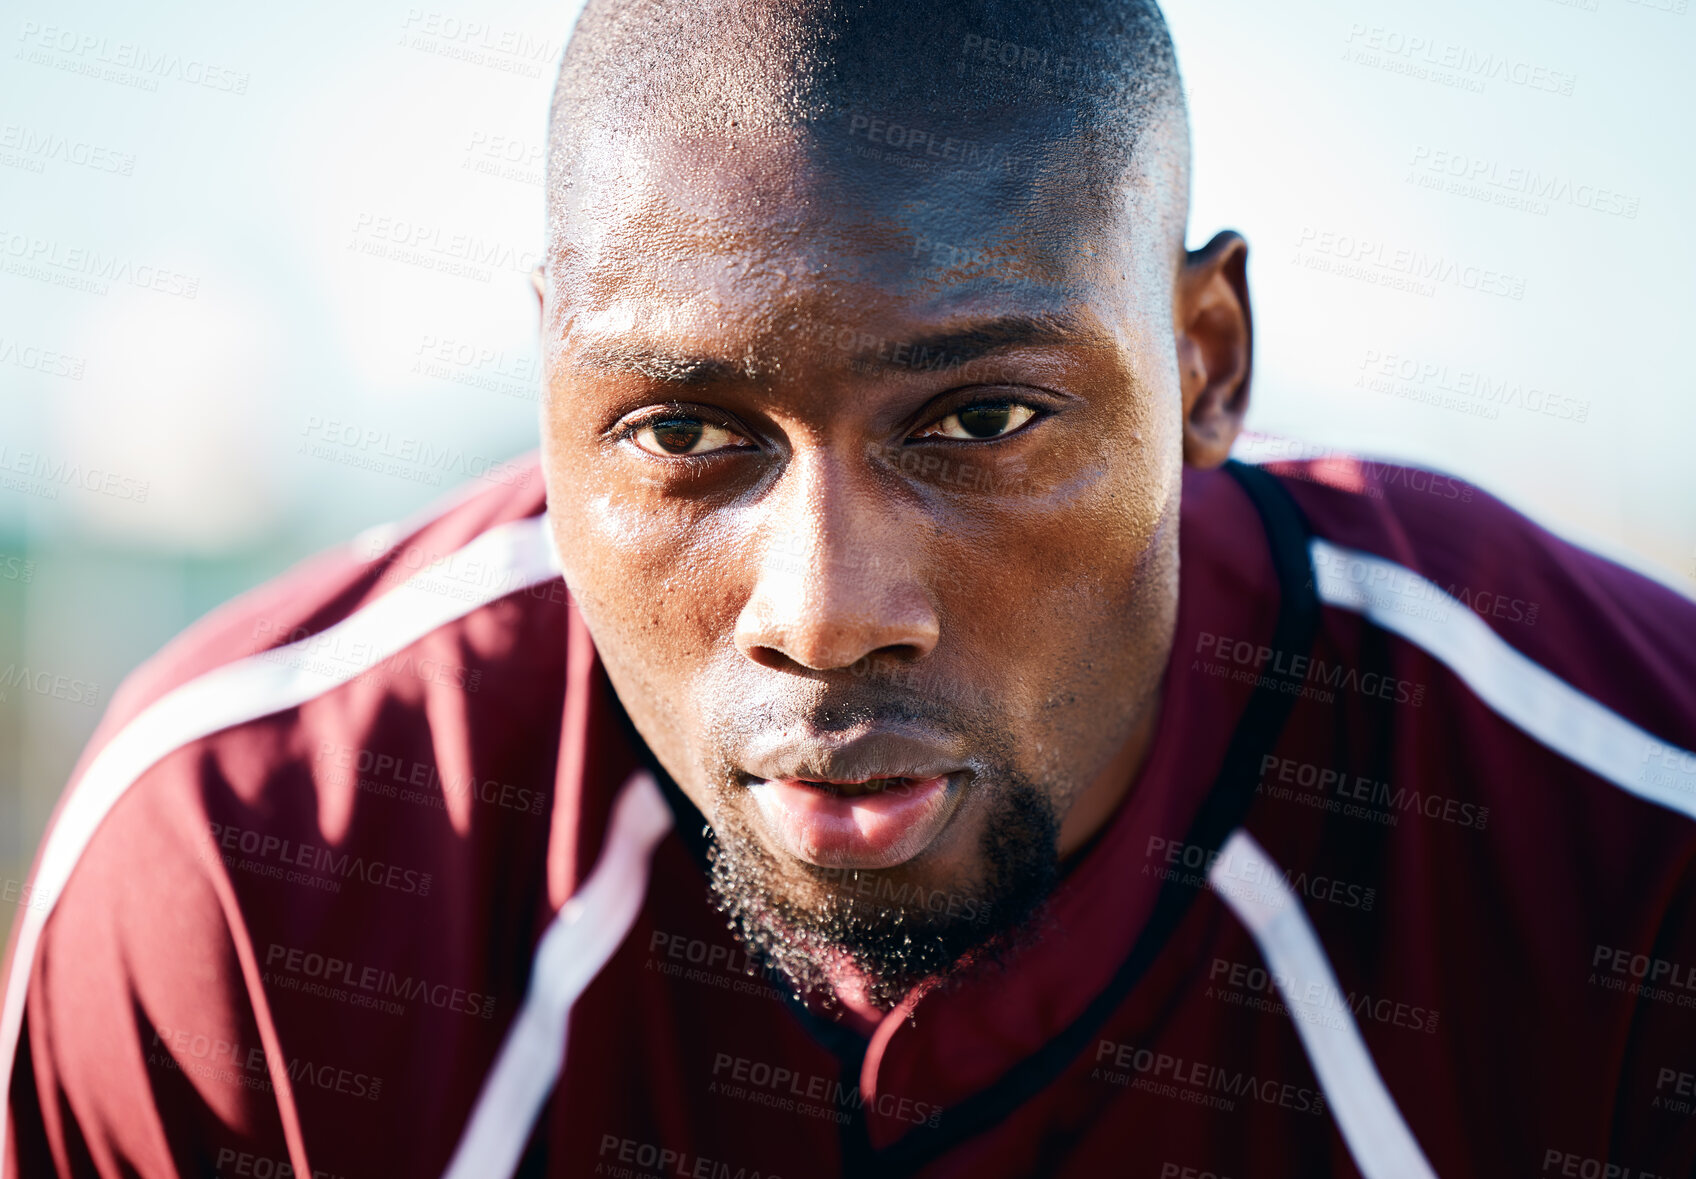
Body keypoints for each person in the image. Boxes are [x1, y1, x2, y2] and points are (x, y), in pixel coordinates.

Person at [6, 1, 1696, 1175]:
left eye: (980, 420)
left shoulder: (1625, 838)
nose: (822, 611)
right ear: (553, 392)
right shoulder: (248, 884)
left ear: (1202, 368)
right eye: (683, 429)